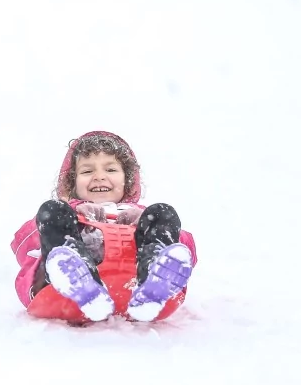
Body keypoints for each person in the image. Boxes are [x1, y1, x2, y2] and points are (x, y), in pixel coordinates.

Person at [11, 131, 198, 322]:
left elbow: (187, 250)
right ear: (72, 183)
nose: (99, 177)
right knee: (52, 209)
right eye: (87, 171)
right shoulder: (68, 212)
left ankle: (155, 281)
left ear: (128, 180)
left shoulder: (144, 215)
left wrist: (145, 223)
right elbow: (23, 244)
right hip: (58, 292)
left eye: (110, 170)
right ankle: (76, 276)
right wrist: (74, 212)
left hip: (133, 283)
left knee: (163, 211)